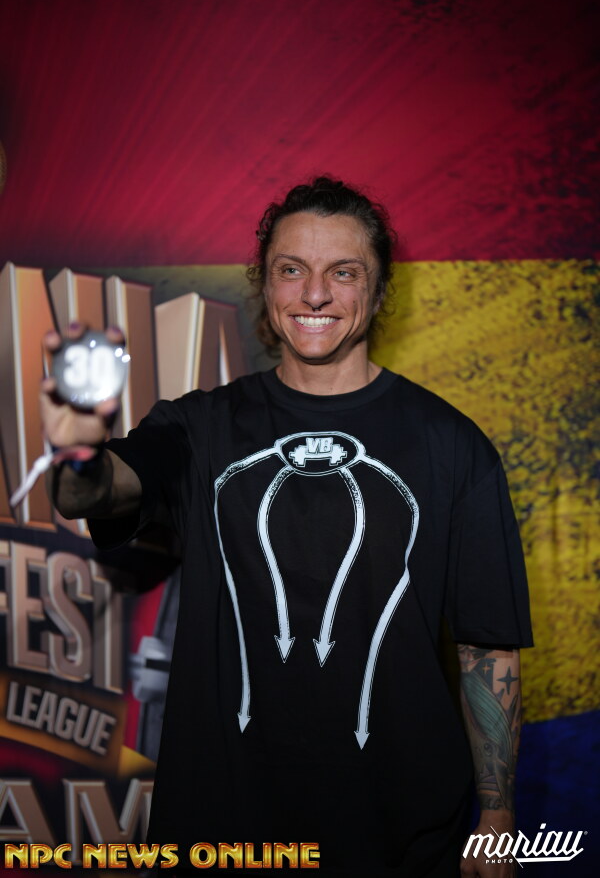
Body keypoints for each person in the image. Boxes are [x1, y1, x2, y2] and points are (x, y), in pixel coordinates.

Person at [41, 176, 533, 877]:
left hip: (401, 835)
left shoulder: (452, 446)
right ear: (266, 286)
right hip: (224, 829)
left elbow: (489, 649)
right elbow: (92, 491)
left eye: (344, 273)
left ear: (379, 292)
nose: (315, 295)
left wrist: (497, 818)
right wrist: (76, 451)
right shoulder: (199, 427)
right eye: (292, 270)